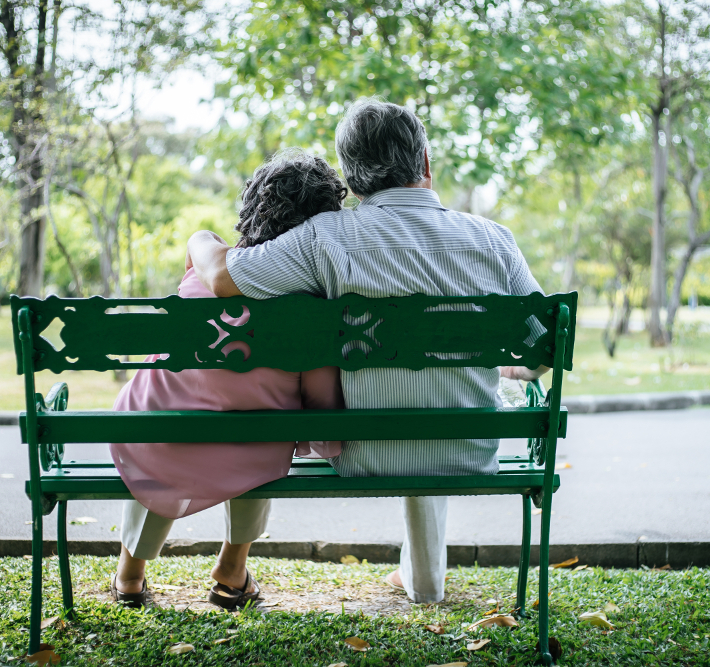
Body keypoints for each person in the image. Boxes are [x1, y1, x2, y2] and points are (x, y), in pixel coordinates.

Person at [186, 97, 548, 603]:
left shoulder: (324, 239)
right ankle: (425, 578)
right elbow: (543, 346)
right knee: (441, 392)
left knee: (408, 398)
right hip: (470, 448)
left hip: (366, 453)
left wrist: (200, 239)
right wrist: (512, 364)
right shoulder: (493, 240)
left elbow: (224, 276)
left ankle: (420, 576)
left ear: (352, 181)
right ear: (424, 162)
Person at [110, 150, 348, 609]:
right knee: (261, 442)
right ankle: (232, 570)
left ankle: (130, 574)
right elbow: (322, 413)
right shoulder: (312, 311)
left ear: (254, 208)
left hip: (156, 433)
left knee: (162, 433)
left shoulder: (208, 270)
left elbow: (201, 247)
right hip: (250, 447)